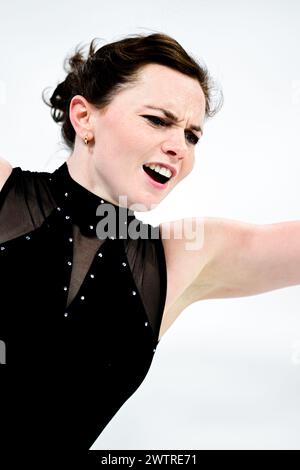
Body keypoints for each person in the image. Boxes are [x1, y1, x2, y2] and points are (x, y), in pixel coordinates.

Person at [1, 32, 299, 459]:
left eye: (192, 135)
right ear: (84, 117)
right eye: (158, 120)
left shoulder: (179, 257)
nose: (179, 146)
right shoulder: (4, 191)